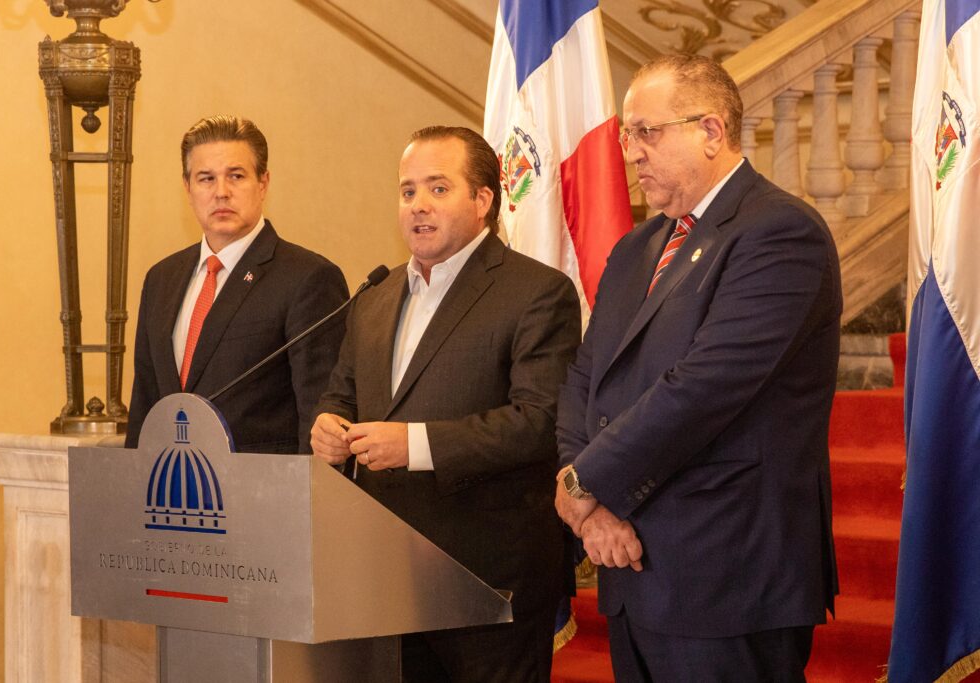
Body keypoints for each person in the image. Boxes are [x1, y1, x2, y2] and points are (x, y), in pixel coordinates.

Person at [555, 55, 841, 681]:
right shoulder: (636, 247)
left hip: (728, 572)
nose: (631, 152)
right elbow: (585, 379)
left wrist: (584, 482)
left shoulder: (780, 232)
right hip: (629, 560)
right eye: (627, 135)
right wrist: (592, 507)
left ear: (711, 131)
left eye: (647, 132)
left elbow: (704, 388)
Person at [311, 125, 580, 682]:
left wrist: (414, 444)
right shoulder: (375, 296)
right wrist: (328, 427)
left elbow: (539, 421)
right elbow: (342, 393)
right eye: (407, 191)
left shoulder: (537, 291)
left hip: (489, 579)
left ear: (482, 200)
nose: (418, 205)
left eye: (438, 188)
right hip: (387, 575)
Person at [126, 115, 348, 453]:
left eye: (236, 176)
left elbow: (318, 417)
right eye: (206, 178)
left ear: (263, 183)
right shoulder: (161, 279)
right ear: (187, 188)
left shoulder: (309, 278)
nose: (221, 192)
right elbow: (145, 404)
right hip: (171, 480)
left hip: (265, 483)